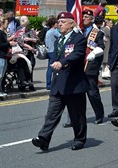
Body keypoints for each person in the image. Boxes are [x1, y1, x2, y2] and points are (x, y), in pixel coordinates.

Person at [32, 12, 90, 151]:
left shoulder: (79, 39)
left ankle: (79, 139)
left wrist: (62, 63)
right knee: (52, 114)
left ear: (71, 23)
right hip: (58, 83)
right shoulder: (59, 40)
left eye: (63, 21)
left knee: (77, 115)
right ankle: (44, 139)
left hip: (73, 84)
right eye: (59, 21)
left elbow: (76, 55)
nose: (60, 24)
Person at [81, 9, 105, 124]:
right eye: (83, 17)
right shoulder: (80, 32)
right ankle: (74, 118)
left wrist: (93, 53)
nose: (84, 19)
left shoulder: (98, 33)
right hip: (79, 67)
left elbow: (101, 47)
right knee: (76, 94)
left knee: (92, 93)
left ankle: (99, 114)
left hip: (90, 66)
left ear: (92, 19)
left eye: (86, 17)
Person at [0, 16, 17, 97]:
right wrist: (9, 43)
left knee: (2, 75)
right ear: (2, 24)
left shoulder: (3, 33)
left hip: (3, 55)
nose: (7, 25)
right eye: (6, 23)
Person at [15, 16, 39, 91]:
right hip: (22, 53)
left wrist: (29, 39)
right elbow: (19, 41)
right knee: (23, 68)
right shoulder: (19, 30)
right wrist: (29, 46)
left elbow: (37, 40)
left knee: (31, 67)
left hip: (30, 53)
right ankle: (22, 85)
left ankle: (30, 84)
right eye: (22, 21)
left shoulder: (31, 31)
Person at [44, 17, 60, 90]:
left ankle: (48, 83)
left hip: (49, 51)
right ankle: (50, 84)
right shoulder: (53, 31)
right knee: (53, 68)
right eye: (57, 23)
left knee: (49, 68)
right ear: (54, 24)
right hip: (53, 51)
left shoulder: (48, 31)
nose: (58, 24)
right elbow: (61, 36)